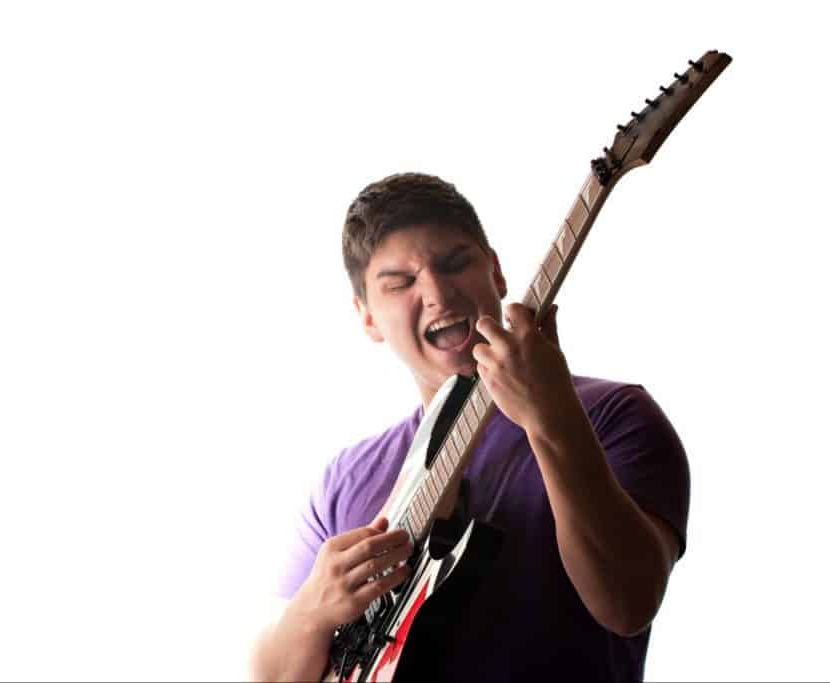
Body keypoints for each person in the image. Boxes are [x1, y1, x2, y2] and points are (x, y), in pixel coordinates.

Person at [247, 172, 689, 682]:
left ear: (497, 273)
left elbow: (628, 604)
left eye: (455, 263)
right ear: (366, 317)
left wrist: (552, 418)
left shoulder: (614, 415)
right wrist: (312, 611)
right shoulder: (343, 479)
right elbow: (269, 675)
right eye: (400, 283)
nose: (436, 292)